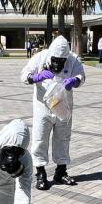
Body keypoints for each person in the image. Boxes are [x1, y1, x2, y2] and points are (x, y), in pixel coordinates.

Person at [20, 35, 86, 191]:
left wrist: (74, 81)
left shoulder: (73, 59)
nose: (58, 64)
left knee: (63, 138)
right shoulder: (40, 57)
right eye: (55, 60)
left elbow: (81, 76)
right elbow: (23, 76)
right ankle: (41, 174)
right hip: (43, 107)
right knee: (40, 138)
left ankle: (61, 172)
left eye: (61, 61)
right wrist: (36, 77)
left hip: (63, 107)